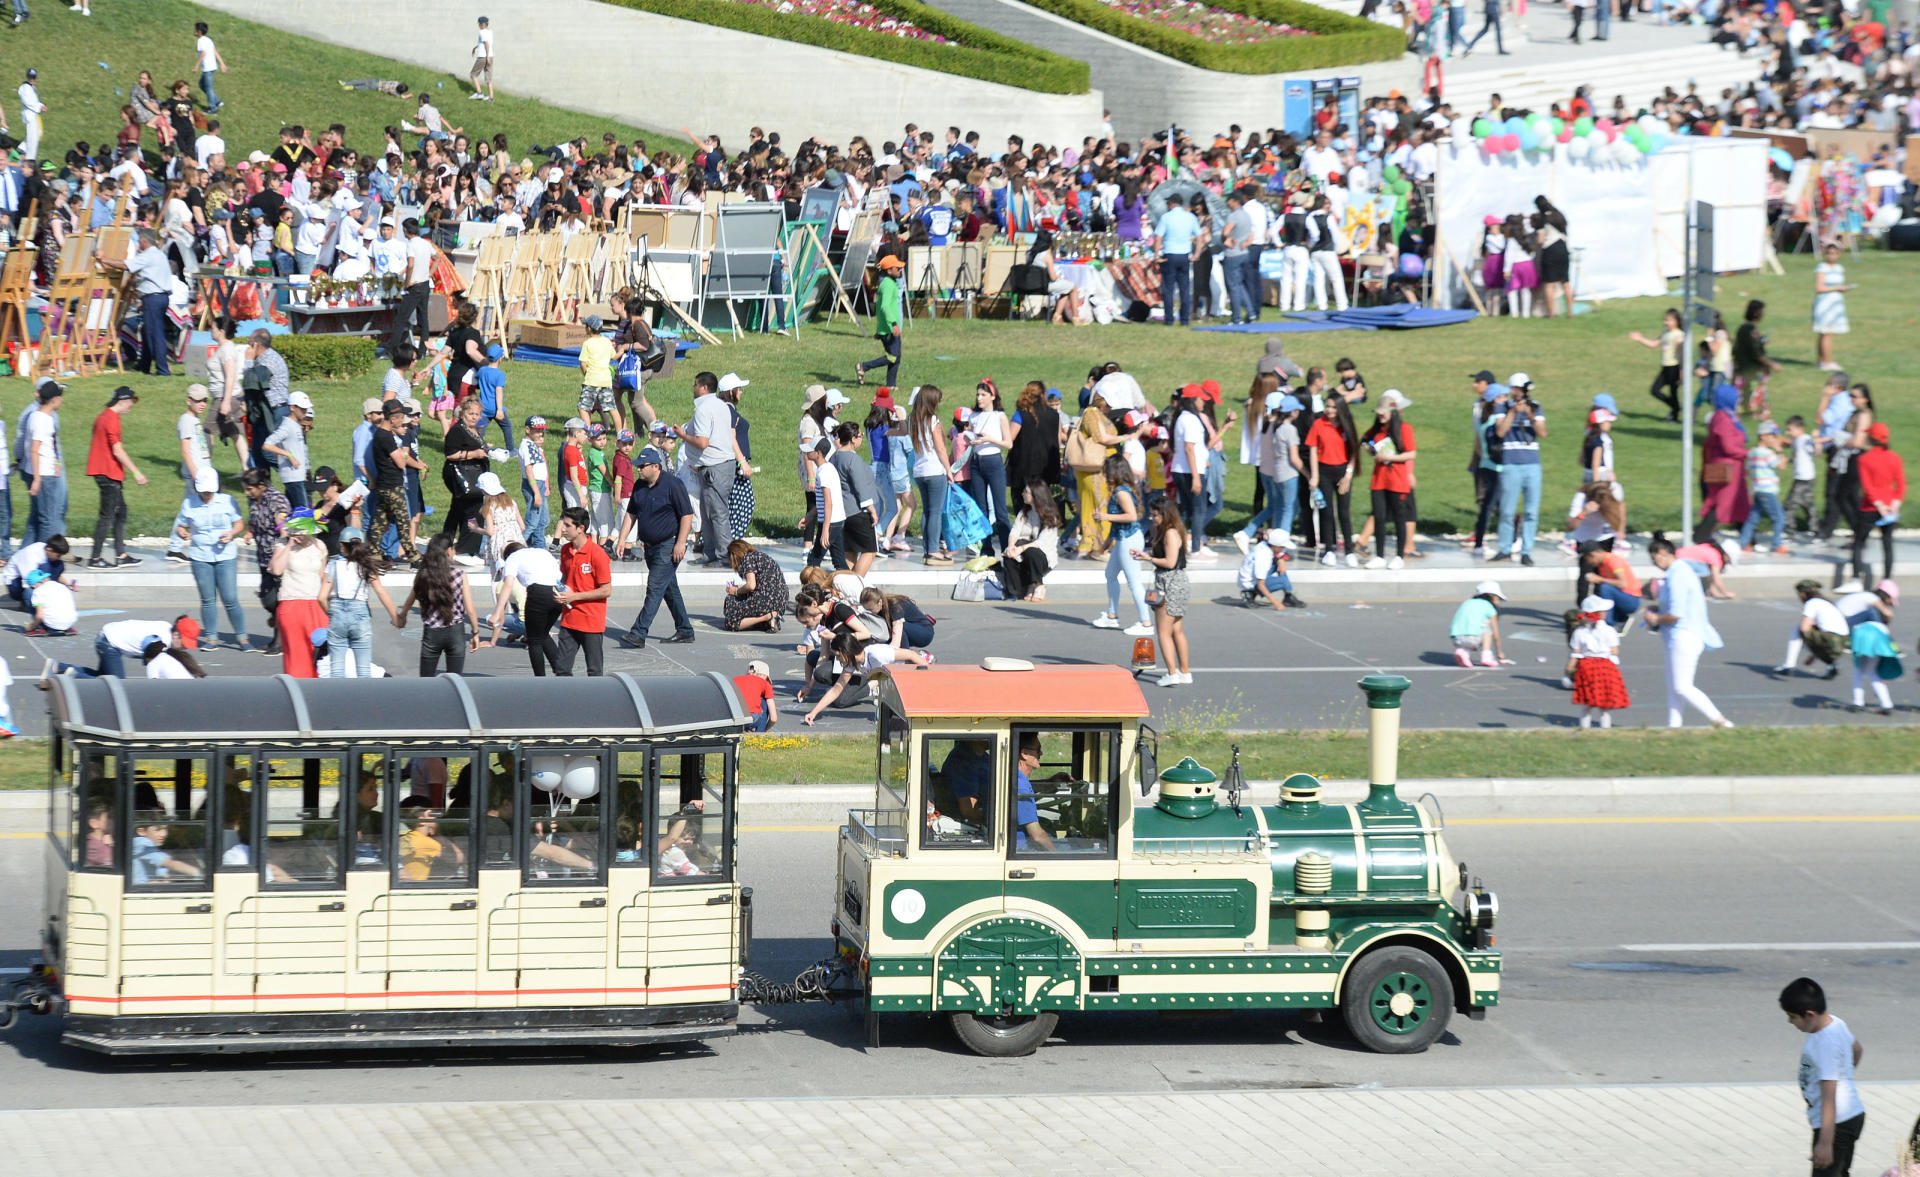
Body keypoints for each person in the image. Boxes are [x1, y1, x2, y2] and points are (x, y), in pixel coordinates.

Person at [1644, 534, 1734, 729]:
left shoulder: (1678, 574)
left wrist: (1655, 619)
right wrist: (1656, 609)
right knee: (1674, 686)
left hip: (1684, 635)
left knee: (1681, 686)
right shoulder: (1679, 572)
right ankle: (1674, 726)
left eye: (1653, 558)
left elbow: (1676, 613)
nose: (1654, 563)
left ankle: (1721, 721)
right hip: (1679, 635)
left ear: (1662, 553)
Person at [1779, 977, 1865, 1177]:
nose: (1790, 1022)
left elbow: (1829, 1097)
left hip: (1836, 1124)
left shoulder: (1826, 1043)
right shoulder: (1834, 1023)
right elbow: (1857, 1049)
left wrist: (1825, 1144)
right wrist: (1845, 1078)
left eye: (1792, 1017)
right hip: (1846, 1117)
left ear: (1809, 1015)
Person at [621, 446, 695, 649]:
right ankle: (685, 630)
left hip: (669, 544)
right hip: (650, 546)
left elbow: (686, 515)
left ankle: (638, 633)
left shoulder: (673, 485)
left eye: (642, 466)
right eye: (637, 466)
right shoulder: (639, 486)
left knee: (654, 587)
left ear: (656, 466)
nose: (638, 470)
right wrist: (621, 539)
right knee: (669, 589)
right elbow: (631, 514)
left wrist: (680, 542)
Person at [175, 467, 246, 649]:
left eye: (209, 491)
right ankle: (211, 638)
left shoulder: (227, 501)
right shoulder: (189, 504)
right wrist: (183, 533)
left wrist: (231, 534)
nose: (206, 494)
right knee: (208, 599)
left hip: (225, 554)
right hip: (200, 556)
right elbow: (181, 526)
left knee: (230, 598)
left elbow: (239, 523)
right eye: (203, 491)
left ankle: (242, 637)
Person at [677, 371, 741, 566]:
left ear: (704, 388)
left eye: (695, 385)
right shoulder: (721, 405)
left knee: (717, 513)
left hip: (715, 468)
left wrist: (683, 435)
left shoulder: (704, 409)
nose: (693, 388)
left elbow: (703, 442)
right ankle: (711, 553)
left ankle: (724, 557)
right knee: (707, 513)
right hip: (714, 467)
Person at [83, 387, 147, 569]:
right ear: (123, 401)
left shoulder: (103, 417)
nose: (131, 407)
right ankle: (95, 559)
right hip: (107, 473)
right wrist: (136, 472)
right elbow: (117, 450)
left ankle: (121, 554)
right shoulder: (111, 420)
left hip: (105, 472)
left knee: (121, 511)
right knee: (107, 516)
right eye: (131, 402)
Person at [395, 535, 477, 677]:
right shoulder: (460, 575)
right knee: (455, 680)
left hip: (432, 633)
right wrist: (475, 632)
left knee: (426, 681)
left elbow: (410, 599)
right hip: (456, 632)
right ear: (449, 550)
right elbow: (470, 609)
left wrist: (402, 616)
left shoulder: (424, 574)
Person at [1091, 454, 1153, 638]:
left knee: (1134, 582)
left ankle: (1146, 622)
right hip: (1122, 538)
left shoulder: (1122, 493)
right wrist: (1106, 543)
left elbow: (1131, 516)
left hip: (1130, 540)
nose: (1105, 475)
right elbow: (1118, 525)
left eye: (1107, 472)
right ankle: (1112, 615)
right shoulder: (1120, 490)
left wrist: (1105, 517)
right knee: (1110, 574)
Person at [1133, 496, 1192, 687]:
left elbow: (1170, 562)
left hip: (1169, 582)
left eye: (1155, 515)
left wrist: (1147, 559)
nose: (1152, 518)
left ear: (1165, 515)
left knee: (1164, 632)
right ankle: (1184, 672)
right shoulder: (1167, 531)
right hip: (1177, 582)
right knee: (1177, 630)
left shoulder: (1170, 534)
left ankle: (1172, 673)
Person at [326, 527, 399, 678]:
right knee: (363, 669)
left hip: (337, 613)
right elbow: (380, 591)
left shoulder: (333, 566)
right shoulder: (366, 566)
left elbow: (321, 596)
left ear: (341, 546)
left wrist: (331, 612)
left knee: (337, 670)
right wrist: (396, 617)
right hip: (360, 615)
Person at [483, 540, 564, 674]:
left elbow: (507, 585)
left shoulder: (512, 558)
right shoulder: (542, 552)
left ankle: (540, 680)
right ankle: (563, 673)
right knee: (543, 635)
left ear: (507, 556)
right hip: (557, 594)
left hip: (538, 594)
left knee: (534, 640)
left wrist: (497, 614)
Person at [1489, 373, 1545, 565]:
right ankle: (1505, 548)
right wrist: (1513, 412)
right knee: (1507, 510)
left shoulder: (1535, 406)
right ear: (1514, 390)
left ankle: (1526, 550)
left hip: (1532, 464)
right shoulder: (1501, 407)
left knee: (1531, 511)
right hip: (1511, 463)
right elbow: (1500, 432)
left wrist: (1530, 414)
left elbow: (1543, 433)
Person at [1362, 390, 1417, 570]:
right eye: (1378, 414)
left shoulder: (1404, 429)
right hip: (1379, 479)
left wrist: (1390, 457)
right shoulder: (1377, 430)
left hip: (1397, 479)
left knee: (1399, 517)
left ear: (1392, 412)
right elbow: (1366, 441)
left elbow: (1411, 453)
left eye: (1383, 414)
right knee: (1379, 517)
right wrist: (1371, 450)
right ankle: (1379, 555)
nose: (1380, 417)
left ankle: (1399, 555)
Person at [553, 506, 611, 675]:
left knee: (594, 671)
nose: (562, 528)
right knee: (561, 669)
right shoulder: (565, 550)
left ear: (580, 529)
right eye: (563, 524)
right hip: (569, 620)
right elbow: (565, 578)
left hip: (591, 621)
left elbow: (606, 590)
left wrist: (574, 596)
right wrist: (560, 590)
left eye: (567, 525)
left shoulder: (597, 554)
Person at [48, 616, 199, 679]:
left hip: (108, 636)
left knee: (104, 677)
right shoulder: (160, 640)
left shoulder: (166, 628)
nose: (184, 648)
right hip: (109, 643)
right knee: (117, 686)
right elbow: (152, 662)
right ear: (176, 635)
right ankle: (73, 675)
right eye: (185, 644)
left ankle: (57, 667)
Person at [1305, 391, 1359, 567]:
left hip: (1342, 471)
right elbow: (1313, 450)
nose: (1329, 410)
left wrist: (1348, 475)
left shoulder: (1346, 425)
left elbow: (1353, 452)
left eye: (1333, 407)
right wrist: (1314, 475)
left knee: (1344, 513)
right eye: (1327, 406)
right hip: (1324, 472)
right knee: (1326, 512)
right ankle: (1329, 549)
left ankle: (1350, 551)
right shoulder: (1319, 424)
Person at [370, 399, 424, 566]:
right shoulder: (386, 437)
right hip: (392, 486)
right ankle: (413, 556)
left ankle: (373, 552)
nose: (403, 421)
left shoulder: (381, 434)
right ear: (392, 418)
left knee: (380, 521)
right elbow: (401, 463)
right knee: (403, 521)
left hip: (384, 486)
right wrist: (404, 451)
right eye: (400, 417)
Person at [1564, 594, 1630, 729]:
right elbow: (1615, 651)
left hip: (1586, 667)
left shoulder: (1580, 631)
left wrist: (1569, 668)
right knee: (1604, 706)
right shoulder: (1609, 630)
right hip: (1605, 667)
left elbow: (1576, 653)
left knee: (1586, 704)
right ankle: (1605, 729)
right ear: (1600, 613)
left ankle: (1585, 729)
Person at [1849, 423, 1903, 586]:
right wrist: (1894, 504)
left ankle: (1856, 579)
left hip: (1870, 507)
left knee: (1859, 543)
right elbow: (1901, 484)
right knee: (1887, 544)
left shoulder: (1864, 459)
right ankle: (1887, 581)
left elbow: (1867, 485)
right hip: (1890, 507)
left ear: (1870, 439)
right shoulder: (1894, 458)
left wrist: (1879, 505)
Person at [908, 385, 954, 565]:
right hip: (935, 470)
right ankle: (934, 551)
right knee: (935, 512)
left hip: (919, 471)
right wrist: (949, 470)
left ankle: (928, 549)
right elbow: (941, 448)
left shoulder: (913, 419)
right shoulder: (932, 420)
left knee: (927, 512)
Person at [440, 396, 490, 562]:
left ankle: (446, 546)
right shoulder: (457, 430)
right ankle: (465, 549)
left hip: (472, 475)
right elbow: (450, 453)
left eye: (477, 414)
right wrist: (473, 454)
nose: (474, 417)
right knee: (474, 508)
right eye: (471, 414)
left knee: (457, 510)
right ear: (462, 413)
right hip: (461, 475)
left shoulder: (474, 430)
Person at [999, 479, 1060, 603]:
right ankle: (1016, 590)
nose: (1022, 494)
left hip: (1042, 555)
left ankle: (1038, 584)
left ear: (1036, 495)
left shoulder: (1050, 516)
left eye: (1026, 492)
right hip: (1024, 551)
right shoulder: (1024, 512)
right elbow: (1015, 531)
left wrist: (1021, 548)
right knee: (1008, 554)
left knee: (1032, 551)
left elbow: (1042, 542)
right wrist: (1011, 546)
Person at [22, 379, 64, 547]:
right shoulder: (43, 420)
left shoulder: (36, 415)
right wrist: (37, 480)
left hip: (43, 470)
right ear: (53, 399)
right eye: (60, 397)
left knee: (36, 517)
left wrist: (57, 464)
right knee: (47, 520)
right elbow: (34, 449)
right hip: (43, 475)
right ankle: (41, 562)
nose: (62, 400)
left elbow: (50, 445)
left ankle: (24, 556)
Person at [1152, 191, 1201, 328]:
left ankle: (1169, 319)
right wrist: (1196, 254)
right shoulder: (1191, 217)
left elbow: (1158, 237)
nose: (1167, 205)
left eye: (1168, 203)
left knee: (1168, 289)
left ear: (1172, 203)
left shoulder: (1166, 217)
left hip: (1170, 254)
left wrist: (1156, 255)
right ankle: (1184, 319)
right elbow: (1199, 236)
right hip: (1184, 254)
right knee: (1185, 288)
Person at [1739, 421, 1788, 556]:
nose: (1775, 438)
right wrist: (1780, 451)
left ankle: (1744, 542)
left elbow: (1747, 470)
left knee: (1753, 518)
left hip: (1757, 490)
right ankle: (1777, 544)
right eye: (1772, 435)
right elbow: (1781, 466)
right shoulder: (1768, 454)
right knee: (1779, 518)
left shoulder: (1752, 453)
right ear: (1763, 436)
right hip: (1768, 491)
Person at [1628, 309, 1685, 422]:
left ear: (1676, 321)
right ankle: (1676, 408)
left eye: (1668, 320)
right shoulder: (1665, 333)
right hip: (1665, 367)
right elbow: (1654, 344)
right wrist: (1640, 339)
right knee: (1655, 390)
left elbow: (1681, 353)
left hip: (1674, 367)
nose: (1665, 322)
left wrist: (1682, 371)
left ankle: (1674, 416)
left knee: (1673, 393)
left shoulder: (1679, 335)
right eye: (1665, 320)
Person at [261, 390, 314, 510]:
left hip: (297, 476)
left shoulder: (295, 425)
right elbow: (267, 444)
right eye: (302, 409)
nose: (305, 412)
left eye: (306, 409)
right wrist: (288, 455)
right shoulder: (287, 426)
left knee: (295, 512)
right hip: (292, 477)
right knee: (303, 513)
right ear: (292, 408)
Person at [857, 253, 904, 386]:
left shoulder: (890, 282)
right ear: (889, 270)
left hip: (887, 328)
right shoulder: (888, 285)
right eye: (897, 268)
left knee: (896, 358)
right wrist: (893, 324)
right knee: (892, 357)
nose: (900, 270)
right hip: (889, 329)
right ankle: (864, 366)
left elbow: (879, 306)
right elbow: (884, 307)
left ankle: (891, 385)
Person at [722, 538, 786, 632]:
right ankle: (771, 621)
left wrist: (735, 591)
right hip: (780, 600)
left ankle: (766, 617)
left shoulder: (747, 558)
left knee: (731, 605)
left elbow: (751, 585)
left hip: (766, 599)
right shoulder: (761, 556)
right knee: (747, 601)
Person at [1811, 242, 1853, 373]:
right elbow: (1819, 287)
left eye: (1835, 253)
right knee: (1826, 333)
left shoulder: (1839, 268)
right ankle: (1826, 362)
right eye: (1829, 253)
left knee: (1826, 333)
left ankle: (1821, 360)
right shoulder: (1822, 267)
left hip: (1835, 303)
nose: (1832, 256)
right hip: (1825, 303)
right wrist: (1836, 288)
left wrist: (1842, 289)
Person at [1238, 529, 1304, 611]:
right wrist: (1276, 603)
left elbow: (1275, 557)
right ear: (1276, 546)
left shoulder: (1264, 545)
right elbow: (1260, 584)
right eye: (1282, 547)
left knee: (1280, 566)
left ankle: (1288, 596)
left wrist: (1280, 560)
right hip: (1250, 583)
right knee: (1282, 581)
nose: (1283, 549)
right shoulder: (1264, 557)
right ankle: (1250, 592)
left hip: (1252, 576)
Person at [1011, 734, 1055, 851]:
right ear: (1024, 753)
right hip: (1022, 850)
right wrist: (1058, 855)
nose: (1041, 754)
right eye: (1038, 750)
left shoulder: (1017, 778)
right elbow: (1037, 835)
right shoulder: (1020, 786)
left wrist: (1051, 782)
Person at [576, 317, 619, 437]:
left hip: (592, 380)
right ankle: (620, 432)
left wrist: (586, 374)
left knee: (584, 407)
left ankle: (589, 433)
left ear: (589, 329)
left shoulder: (587, 343)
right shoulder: (607, 341)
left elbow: (583, 363)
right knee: (612, 408)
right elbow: (613, 356)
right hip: (606, 380)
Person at [1450, 580, 1507, 668]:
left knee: (1473, 627)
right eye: (1498, 598)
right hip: (1472, 639)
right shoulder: (1489, 607)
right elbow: (1496, 635)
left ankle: (1464, 652)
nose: (1498, 601)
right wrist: (1499, 652)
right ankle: (1486, 656)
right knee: (1487, 629)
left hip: (1456, 639)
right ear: (1492, 596)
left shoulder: (1467, 602)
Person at [517, 415, 551, 549]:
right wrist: (536, 492)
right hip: (534, 485)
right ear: (527, 430)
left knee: (542, 520)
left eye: (542, 430)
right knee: (532, 521)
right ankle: (516, 547)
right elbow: (529, 470)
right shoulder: (526, 446)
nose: (540, 433)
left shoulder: (532, 445)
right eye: (537, 430)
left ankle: (539, 548)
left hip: (539, 485)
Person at [23, 568, 76, 636]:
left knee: (27, 593)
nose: (33, 588)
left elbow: (40, 615)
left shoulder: (38, 591)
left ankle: (40, 628)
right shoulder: (62, 586)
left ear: (33, 585)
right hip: (70, 622)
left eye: (32, 587)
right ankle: (67, 628)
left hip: (53, 624)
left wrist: (32, 626)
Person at [734, 659, 778, 732]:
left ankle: (742, 730)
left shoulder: (735, 679)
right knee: (763, 701)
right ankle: (759, 734)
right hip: (753, 718)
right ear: (764, 675)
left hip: (735, 718)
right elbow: (773, 718)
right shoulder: (765, 684)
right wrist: (766, 728)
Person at [468, 15, 496, 101]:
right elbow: (485, 42)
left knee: (473, 74)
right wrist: (476, 47)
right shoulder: (490, 32)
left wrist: (486, 56)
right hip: (491, 56)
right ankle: (491, 97)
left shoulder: (482, 32)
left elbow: (486, 43)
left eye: (479, 24)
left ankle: (479, 93)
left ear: (481, 24)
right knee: (488, 77)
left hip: (483, 57)